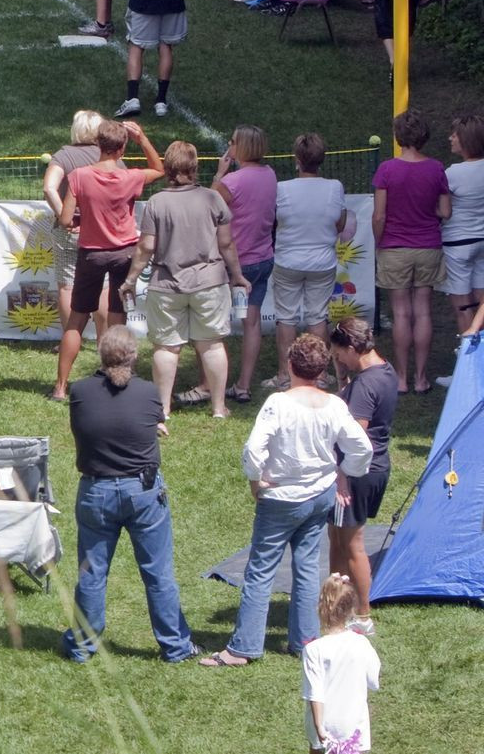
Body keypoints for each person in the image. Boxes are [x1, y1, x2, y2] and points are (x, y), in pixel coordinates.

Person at [205, 334, 373, 666]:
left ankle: (244, 647)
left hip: (281, 498)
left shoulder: (278, 404)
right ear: (322, 370)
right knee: (308, 568)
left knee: (261, 569)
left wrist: (256, 479)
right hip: (318, 496)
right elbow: (362, 448)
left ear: (290, 365)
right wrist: (345, 471)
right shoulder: (334, 405)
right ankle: (305, 640)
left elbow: (254, 450)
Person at [61, 326, 199, 664]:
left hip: (96, 492)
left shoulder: (79, 391)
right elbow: (145, 419)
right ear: (135, 357)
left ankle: (82, 646)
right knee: (158, 573)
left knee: (92, 573)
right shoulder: (149, 393)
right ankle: (176, 647)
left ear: (101, 356)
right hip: (144, 492)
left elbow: (100, 422)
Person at [126, 140, 244, 419]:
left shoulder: (157, 202)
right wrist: (237, 275)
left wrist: (130, 279)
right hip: (210, 282)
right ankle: (218, 408)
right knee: (212, 344)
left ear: (167, 169)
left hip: (166, 285)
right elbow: (227, 244)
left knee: (166, 347)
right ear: (195, 167)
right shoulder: (212, 198)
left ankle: (163, 409)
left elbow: (145, 247)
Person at [51, 118, 164, 401]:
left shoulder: (78, 175)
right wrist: (143, 138)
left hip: (91, 254)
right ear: (122, 148)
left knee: (76, 320)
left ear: (98, 144)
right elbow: (159, 169)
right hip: (124, 254)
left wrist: (77, 220)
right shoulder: (131, 177)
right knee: (118, 319)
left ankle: (61, 387)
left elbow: (65, 219)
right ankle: (119, 379)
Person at [325, 318, 397, 632]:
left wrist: (340, 475)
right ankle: (335, 605)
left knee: (351, 544)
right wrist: (346, 383)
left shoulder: (366, 385)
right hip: (376, 468)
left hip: (356, 473)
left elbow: (356, 438)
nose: (337, 359)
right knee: (337, 538)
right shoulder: (385, 370)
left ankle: (363, 616)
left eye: (340, 354)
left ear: (353, 348)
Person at [373, 109, 451, 394]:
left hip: (394, 246)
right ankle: (421, 378)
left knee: (401, 314)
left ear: (398, 136)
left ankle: (402, 378)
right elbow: (445, 211)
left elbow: (379, 216)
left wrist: (378, 242)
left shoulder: (387, 170)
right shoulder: (436, 168)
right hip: (428, 245)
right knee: (423, 312)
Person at [269, 132, 353, 392]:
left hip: (288, 260)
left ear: (297, 160)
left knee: (286, 317)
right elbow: (339, 223)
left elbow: (274, 221)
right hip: (322, 261)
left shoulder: (282, 188)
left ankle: (285, 374)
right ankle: (319, 374)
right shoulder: (334, 187)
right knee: (318, 317)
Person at [214, 125, 280, 402]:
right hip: (263, 258)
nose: (229, 144)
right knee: (252, 323)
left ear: (240, 147)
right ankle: (243, 385)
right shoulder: (270, 175)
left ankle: (211, 383)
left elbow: (209, 208)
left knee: (214, 324)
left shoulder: (231, 182)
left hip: (234, 263)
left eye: (231, 141)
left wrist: (219, 174)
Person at [42, 109, 107, 333]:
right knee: (104, 287)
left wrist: (64, 217)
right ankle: (104, 340)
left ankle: (70, 340)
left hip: (70, 232)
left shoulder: (64, 155)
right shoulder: (108, 156)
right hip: (102, 231)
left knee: (67, 288)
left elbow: (49, 188)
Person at [302, 574, 380, 753]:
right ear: (351, 610)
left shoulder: (314, 649)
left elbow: (315, 692)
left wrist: (319, 727)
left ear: (321, 607)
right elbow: (374, 682)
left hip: (323, 723)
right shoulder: (361, 644)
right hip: (353, 723)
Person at [446, 114, 484, 346]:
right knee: (481, 303)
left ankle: (467, 363)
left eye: (455, 135)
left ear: (466, 140)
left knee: (462, 306)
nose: (450, 138)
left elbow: (440, 208)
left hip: (457, 244)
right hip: (483, 241)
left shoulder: (453, 173)